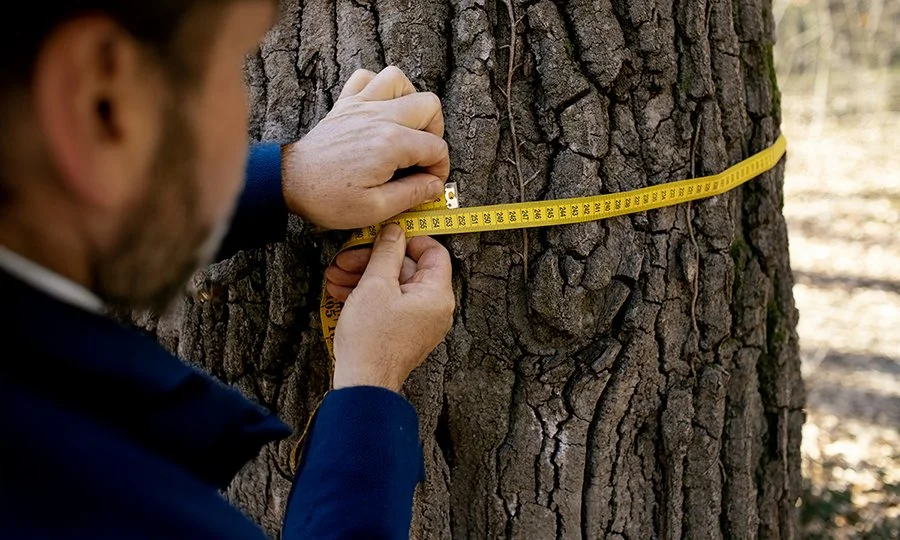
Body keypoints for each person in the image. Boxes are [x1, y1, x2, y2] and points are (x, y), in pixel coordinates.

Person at [0, 1, 455, 539]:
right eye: (234, 65)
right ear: (101, 101)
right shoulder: (98, 503)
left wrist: (282, 177)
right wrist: (370, 386)